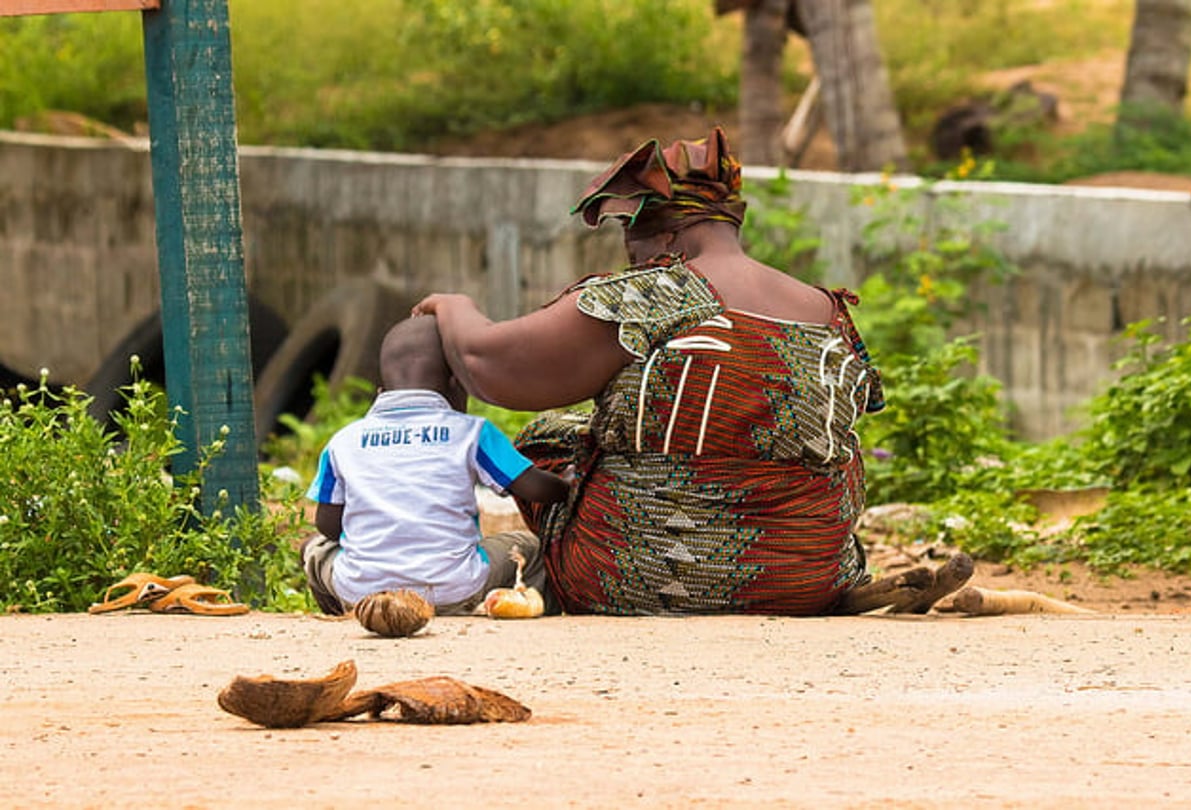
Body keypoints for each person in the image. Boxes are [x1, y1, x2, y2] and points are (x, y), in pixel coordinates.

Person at [411, 127, 966, 615]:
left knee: (547, 439)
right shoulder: (826, 309)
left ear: (667, 235)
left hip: (641, 575)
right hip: (808, 576)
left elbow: (492, 367)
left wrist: (451, 304)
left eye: (634, 242)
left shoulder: (660, 291)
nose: (632, 258)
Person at [300, 314, 569, 616]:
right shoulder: (472, 433)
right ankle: (538, 610)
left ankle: (349, 613)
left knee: (315, 548)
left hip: (362, 590)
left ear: (381, 389)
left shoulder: (343, 442)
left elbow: (328, 525)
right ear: (458, 383)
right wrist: (571, 484)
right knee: (527, 547)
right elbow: (535, 487)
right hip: (454, 588)